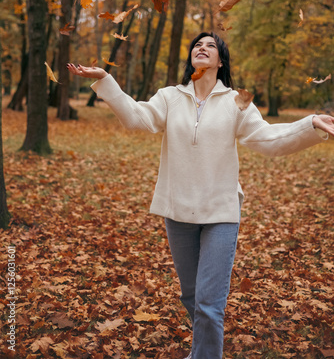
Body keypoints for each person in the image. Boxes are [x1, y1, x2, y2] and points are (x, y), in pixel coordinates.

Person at [67, 32, 333, 359]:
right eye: (197, 44)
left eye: (211, 45)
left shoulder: (237, 100)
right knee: (192, 297)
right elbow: (137, 119)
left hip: (220, 213)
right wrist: (106, 80)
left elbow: (267, 139)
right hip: (177, 211)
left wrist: (311, 125)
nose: (202, 48)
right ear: (191, 57)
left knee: (209, 304)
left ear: (220, 61)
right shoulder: (170, 96)